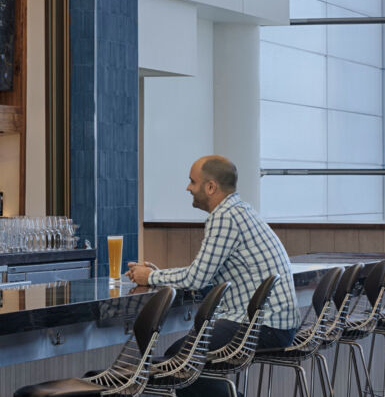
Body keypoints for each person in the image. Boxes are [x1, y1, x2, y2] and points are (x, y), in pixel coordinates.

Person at [127, 155, 299, 397]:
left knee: (178, 361)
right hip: (272, 323)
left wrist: (150, 278)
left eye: (192, 182)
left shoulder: (224, 217)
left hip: (264, 326)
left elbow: (195, 278)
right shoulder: (240, 211)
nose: (188, 188)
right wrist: (158, 274)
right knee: (181, 359)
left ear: (210, 187)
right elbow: (205, 275)